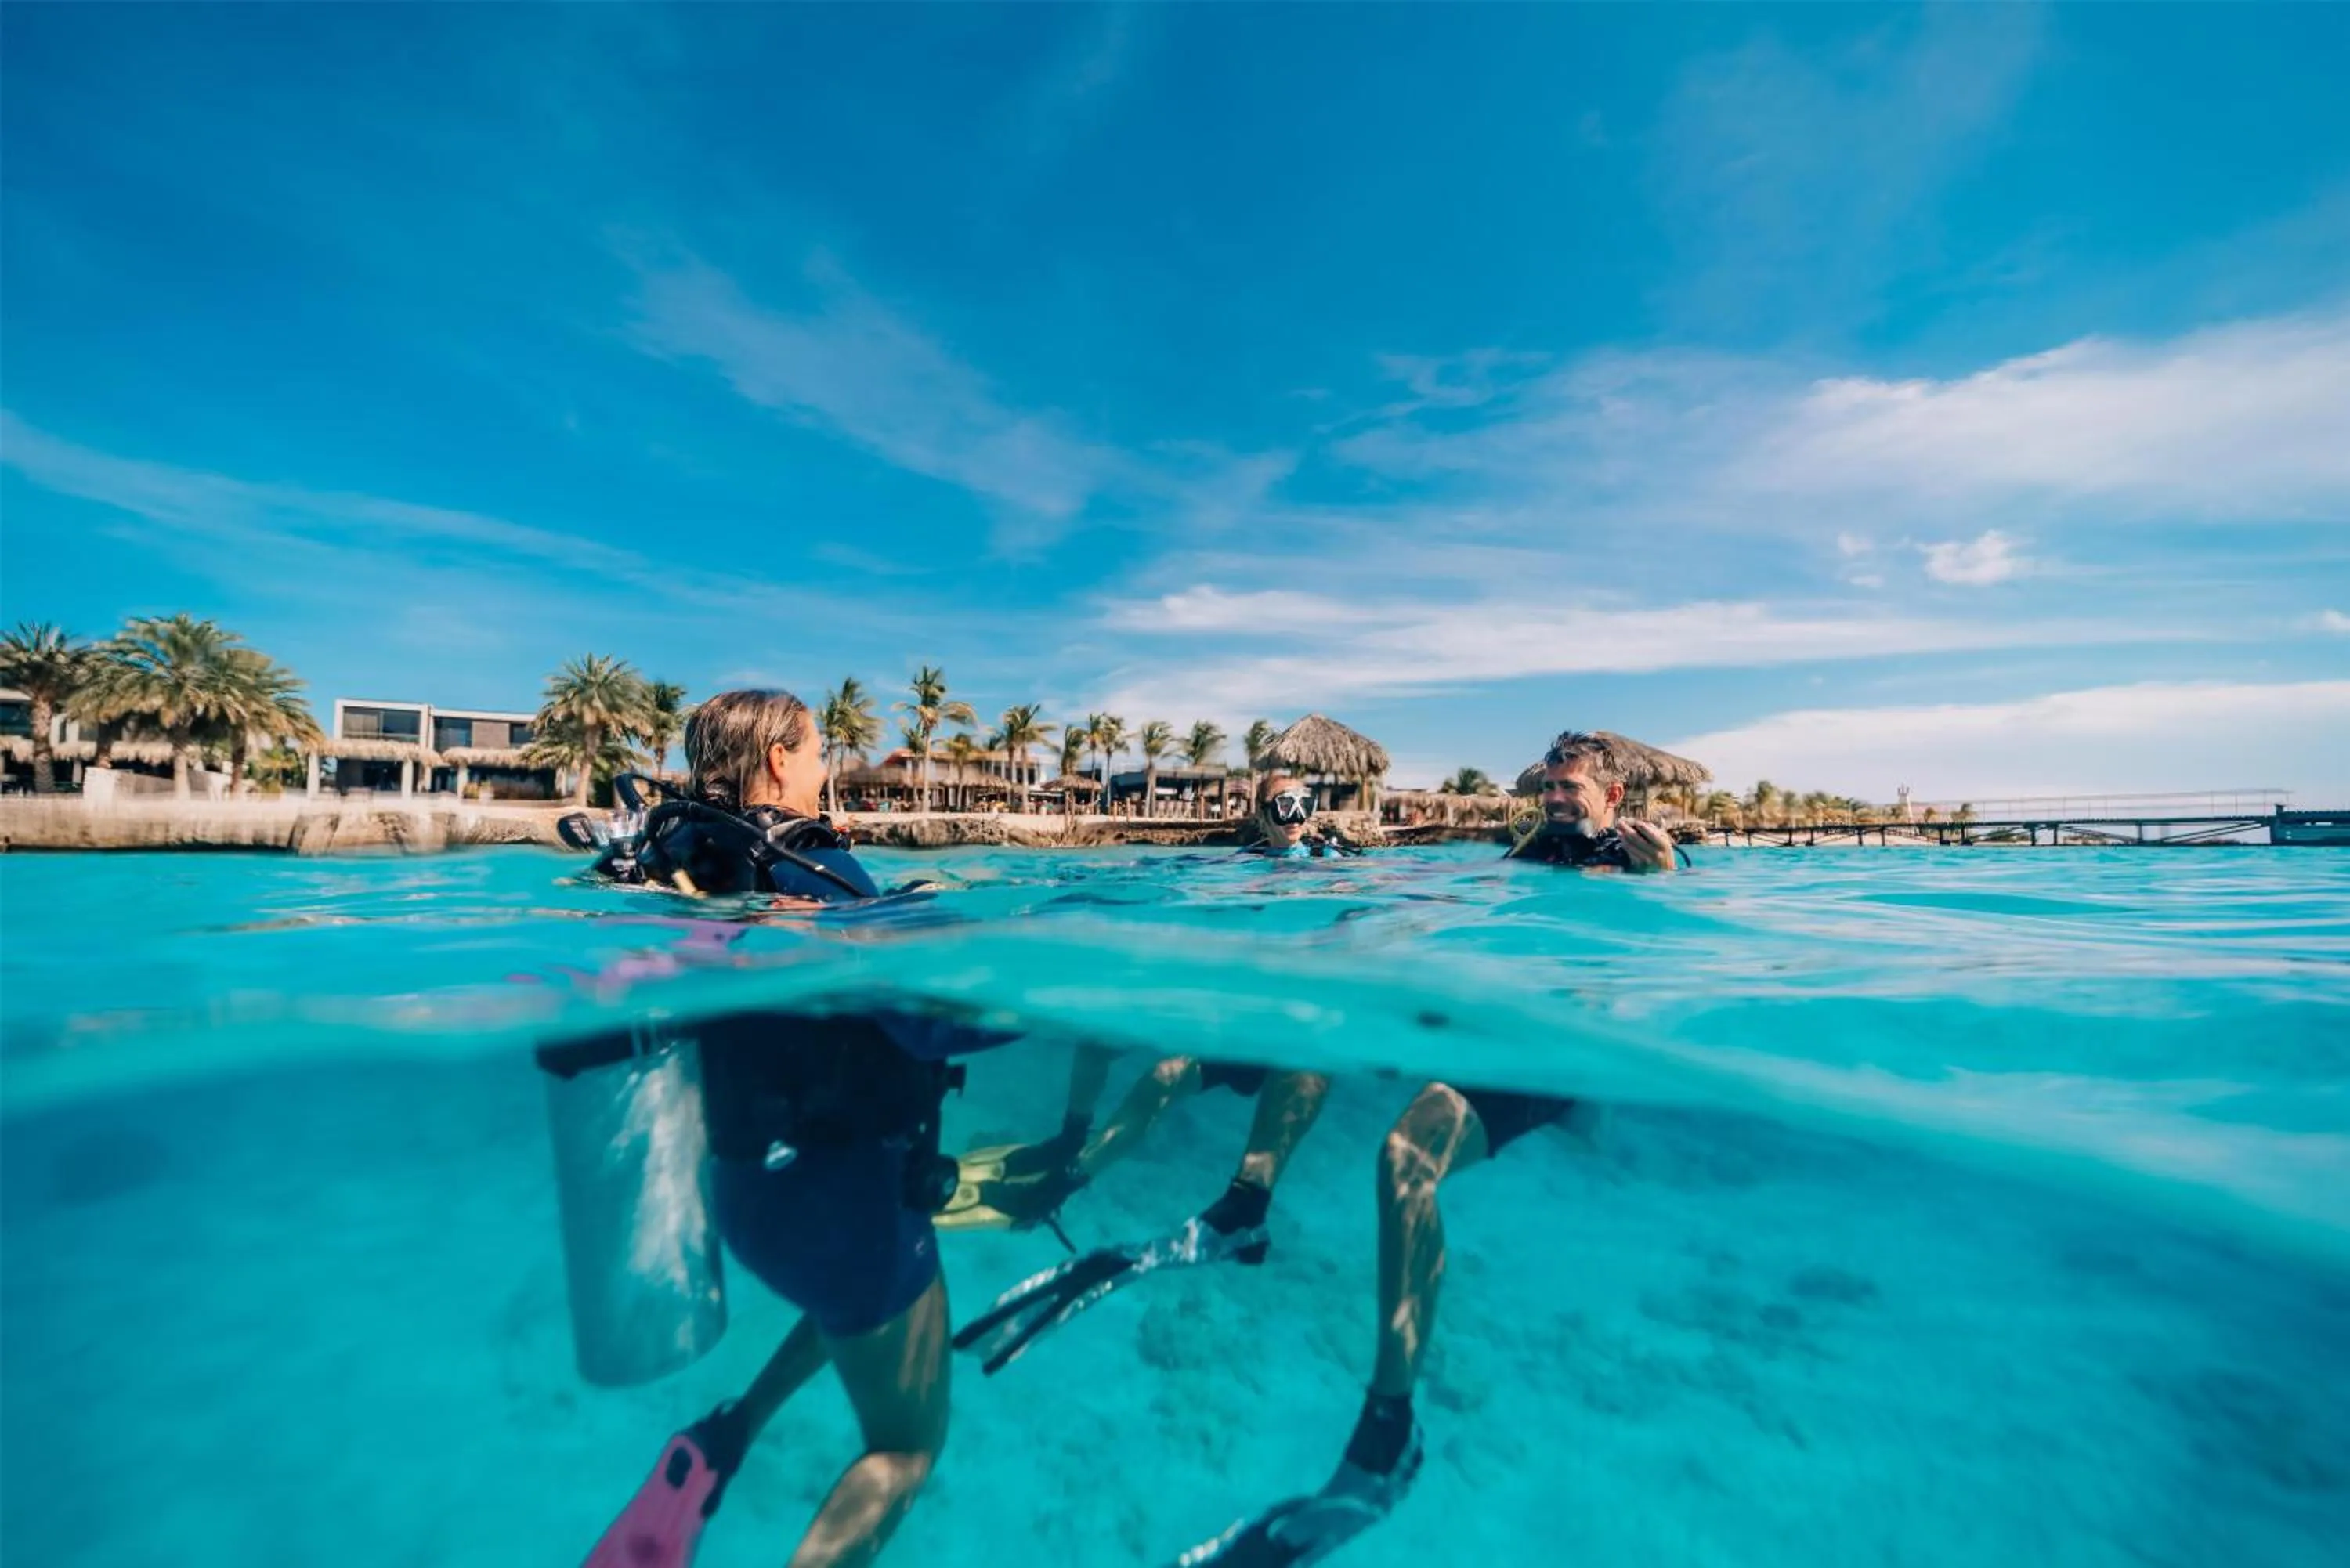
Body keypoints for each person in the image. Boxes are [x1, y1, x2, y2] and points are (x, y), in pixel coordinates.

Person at [1173, 731, 1679, 1567]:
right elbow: (1480, 913)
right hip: (1507, 1040)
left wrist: (1664, 880)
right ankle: (1391, 1415)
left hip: (1564, 1051)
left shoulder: (1645, 856)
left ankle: (1388, 1424)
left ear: (1614, 796)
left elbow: (1675, 927)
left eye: (1571, 789)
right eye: (1549, 787)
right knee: (1397, 1136)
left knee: (1424, 1154)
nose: (1555, 800)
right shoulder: (1535, 848)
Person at [576, 688, 1012, 1568]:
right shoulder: (819, 873)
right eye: (818, 750)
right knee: (906, 1443)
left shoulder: (682, 865)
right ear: (779, 761)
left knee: (846, 1311)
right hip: (844, 1210)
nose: (825, 766)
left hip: (747, 1197)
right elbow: (936, 1023)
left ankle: (732, 1430)